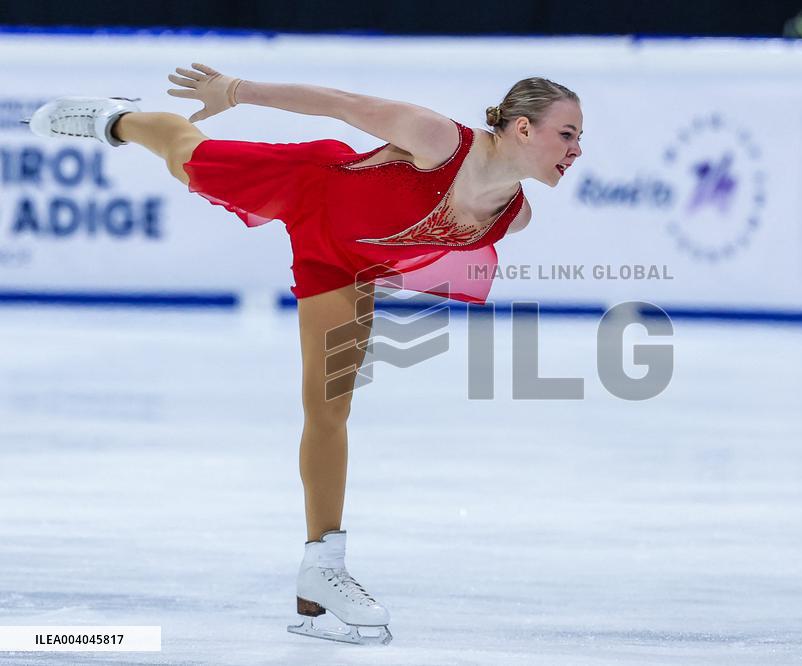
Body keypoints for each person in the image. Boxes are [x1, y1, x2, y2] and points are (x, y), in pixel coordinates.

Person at [26, 63, 583, 645]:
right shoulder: (440, 139)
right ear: (522, 128)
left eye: (578, 138)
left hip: (338, 262)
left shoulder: (511, 218)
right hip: (308, 183)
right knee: (185, 156)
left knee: (328, 408)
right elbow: (339, 101)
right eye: (567, 134)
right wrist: (235, 92)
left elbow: (403, 243)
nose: (575, 150)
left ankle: (323, 564)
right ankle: (119, 120)